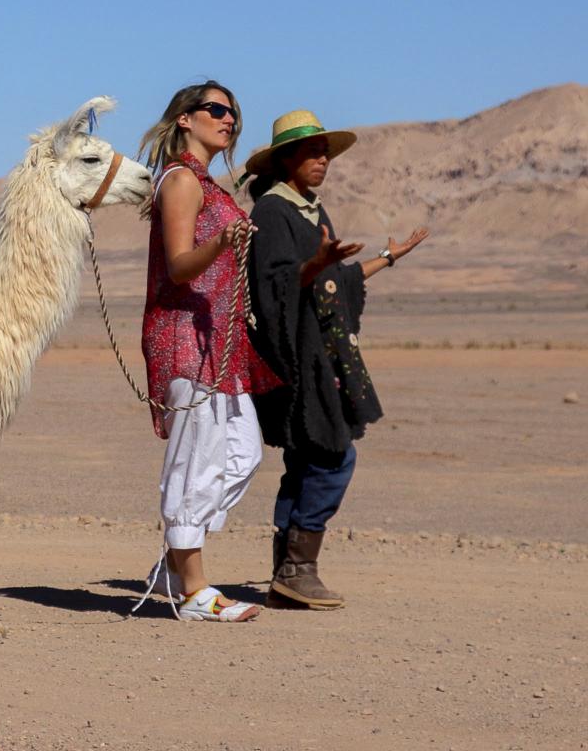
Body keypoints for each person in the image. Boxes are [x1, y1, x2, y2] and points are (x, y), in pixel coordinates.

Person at [242, 110, 428, 609]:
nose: (323, 159)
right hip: (297, 358)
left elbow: (331, 281)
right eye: (312, 151)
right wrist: (315, 265)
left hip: (323, 353)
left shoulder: (311, 211)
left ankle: (287, 575)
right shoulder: (272, 214)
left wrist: (388, 259)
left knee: (305, 463)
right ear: (286, 159)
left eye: (326, 151)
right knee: (333, 455)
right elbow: (276, 287)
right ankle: (299, 568)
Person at [133, 81, 280, 622]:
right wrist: (222, 242)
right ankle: (195, 592)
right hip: (183, 338)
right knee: (194, 462)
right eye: (217, 110)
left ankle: (176, 562)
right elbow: (178, 265)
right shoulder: (179, 181)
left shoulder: (211, 186)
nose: (229, 120)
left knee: (242, 454)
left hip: (220, 344)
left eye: (234, 114)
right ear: (185, 120)